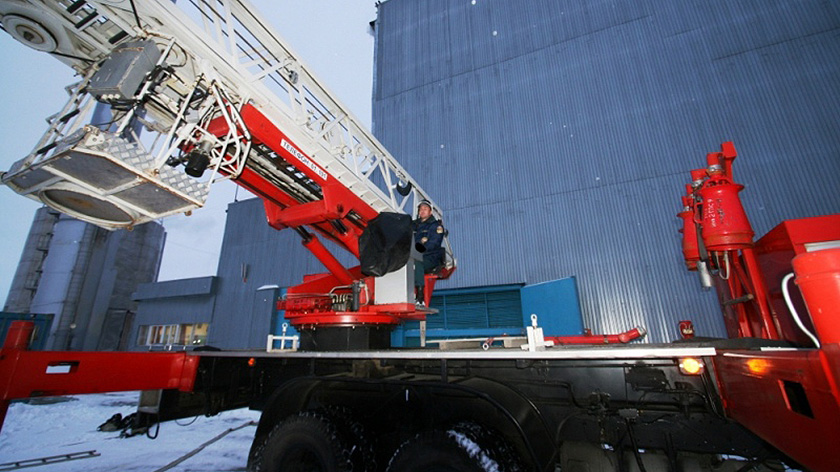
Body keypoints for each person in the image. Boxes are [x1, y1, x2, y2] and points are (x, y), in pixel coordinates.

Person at [413, 200, 445, 305]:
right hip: (417, 255)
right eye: (420, 209)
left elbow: (434, 243)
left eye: (425, 209)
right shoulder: (415, 225)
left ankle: (420, 297)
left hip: (432, 257)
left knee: (418, 263)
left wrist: (419, 250)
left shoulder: (436, 226)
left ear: (430, 212)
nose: (422, 211)